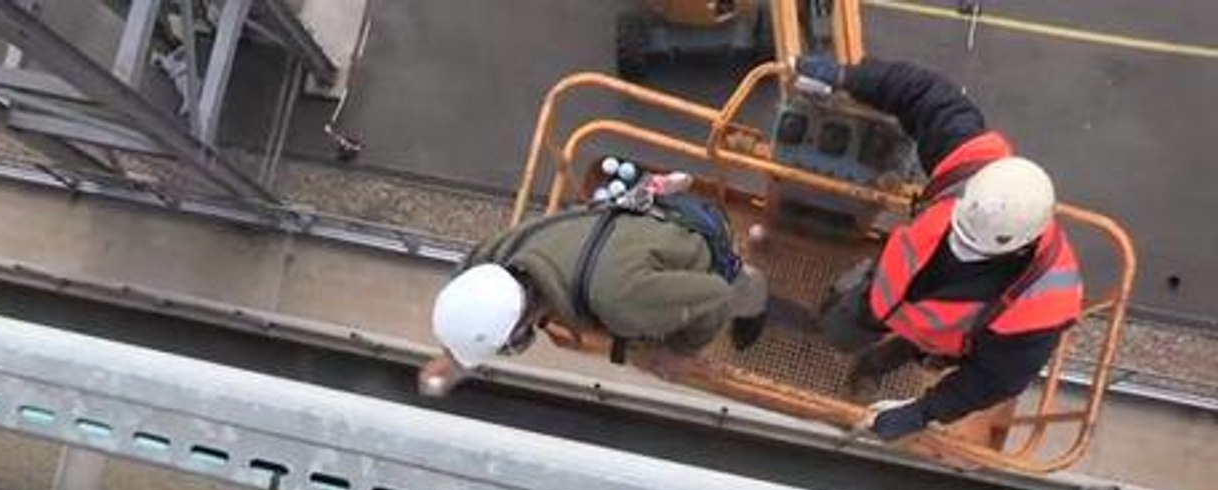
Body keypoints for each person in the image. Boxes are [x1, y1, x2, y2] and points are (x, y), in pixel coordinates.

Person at [791, 55, 1084, 442]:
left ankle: (872, 367)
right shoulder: (972, 168)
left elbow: (993, 379)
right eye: (959, 232)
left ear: (1019, 245)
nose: (958, 246)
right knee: (841, 328)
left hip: (938, 334)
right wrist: (847, 76)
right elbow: (925, 96)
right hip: (882, 294)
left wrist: (923, 412)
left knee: (908, 350)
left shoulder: (1040, 307)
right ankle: (847, 332)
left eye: (972, 245)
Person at [418, 173, 768, 397]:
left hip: (697, 241)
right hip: (644, 223)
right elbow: (472, 293)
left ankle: (758, 303)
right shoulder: (504, 255)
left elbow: (716, 295)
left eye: (504, 348)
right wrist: (455, 358)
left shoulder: (623, 304)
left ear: (521, 328)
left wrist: (679, 352)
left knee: (745, 294)